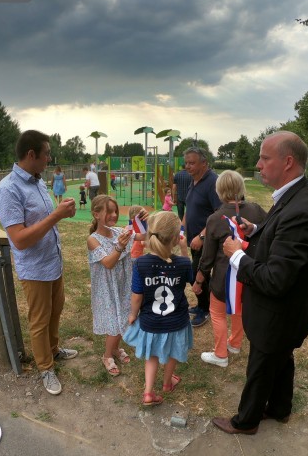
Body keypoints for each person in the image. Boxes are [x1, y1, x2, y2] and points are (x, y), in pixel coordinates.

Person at [215, 131, 308, 435]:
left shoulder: (300, 209)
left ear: (287, 162)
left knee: (261, 367)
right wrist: (254, 231)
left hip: (278, 313)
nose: (258, 164)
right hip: (286, 314)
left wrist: (237, 256)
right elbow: (280, 238)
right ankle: (280, 408)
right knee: (282, 358)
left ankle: (246, 421)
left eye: (265, 157)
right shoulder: (294, 196)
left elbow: (276, 279)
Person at [0, 130, 78, 396]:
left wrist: (59, 211)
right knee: (40, 320)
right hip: (35, 269)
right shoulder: (8, 189)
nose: (49, 159)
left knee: (55, 311)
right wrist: (56, 216)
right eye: (47, 154)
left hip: (52, 262)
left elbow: (44, 219)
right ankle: (45, 367)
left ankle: (53, 350)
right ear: (31, 155)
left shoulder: (38, 182)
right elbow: (18, 239)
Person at [194, 171, 267, 368]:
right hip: (249, 273)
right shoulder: (257, 210)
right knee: (240, 309)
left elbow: (207, 257)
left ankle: (220, 354)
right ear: (241, 188)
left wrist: (199, 279)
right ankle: (234, 343)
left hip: (223, 278)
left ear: (219, 191)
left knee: (217, 313)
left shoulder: (215, 218)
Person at [123, 211, 193, 406]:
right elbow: (193, 280)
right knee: (172, 353)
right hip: (176, 321)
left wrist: (132, 314)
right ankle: (167, 383)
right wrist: (185, 250)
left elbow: (137, 295)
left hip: (150, 321)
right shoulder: (183, 263)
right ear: (174, 238)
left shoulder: (140, 263)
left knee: (152, 355)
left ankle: (147, 393)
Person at [87, 196, 145, 376]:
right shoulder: (93, 239)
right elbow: (108, 263)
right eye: (109, 211)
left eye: (115, 211)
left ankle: (115, 348)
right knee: (114, 323)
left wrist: (144, 222)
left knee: (124, 317)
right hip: (107, 288)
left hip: (123, 284)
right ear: (96, 214)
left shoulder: (119, 231)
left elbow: (144, 235)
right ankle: (106, 356)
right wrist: (120, 246)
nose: (114, 215)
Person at [183, 147, 221, 327]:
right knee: (199, 273)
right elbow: (190, 208)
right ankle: (205, 304)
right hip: (193, 239)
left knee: (196, 273)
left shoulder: (213, 183)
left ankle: (205, 309)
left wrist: (202, 236)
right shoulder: (194, 181)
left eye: (192, 163)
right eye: (187, 163)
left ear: (204, 163)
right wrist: (182, 229)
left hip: (205, 241)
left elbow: (220, 213)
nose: (187, 166)